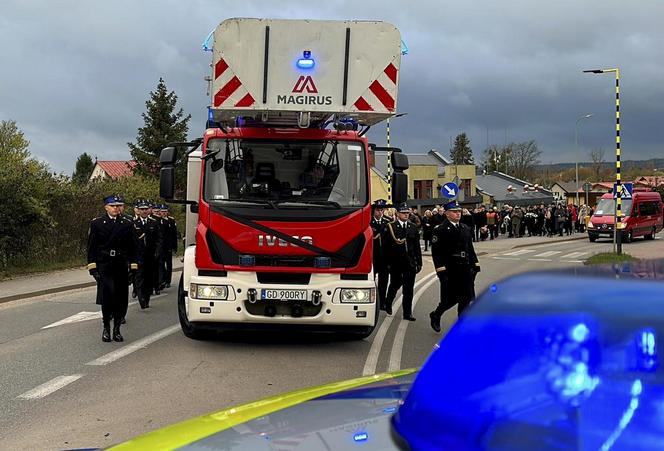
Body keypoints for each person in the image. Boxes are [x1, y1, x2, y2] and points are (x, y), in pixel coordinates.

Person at [87, 195, 138, 342]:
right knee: (107, 298)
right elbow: (91, 248)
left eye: (119, 205)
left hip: (120, 264)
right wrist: (93, 268)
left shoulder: (127, 223)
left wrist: (133, 268)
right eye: (113, 206)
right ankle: (106, 328)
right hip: (104, 264)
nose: (116, 208)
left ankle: (117, 329)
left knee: (120, 299)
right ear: (106, 207)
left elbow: (133, 247)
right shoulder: (97, 223)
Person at [429, 200, 480, 333]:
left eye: (459, 211)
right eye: (455, 212)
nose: (458, 214)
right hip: (450, 270)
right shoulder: (440, 230)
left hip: (465, 269)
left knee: (466, 298)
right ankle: (436, 314)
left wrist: (475, 265)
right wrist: (441, 272)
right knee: (449, 300)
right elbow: (437, 254)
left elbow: (470, 248)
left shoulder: (464, 228)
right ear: (446, 213)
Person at [384, 203, 422, 320]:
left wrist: (419, 262)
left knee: (408, 289)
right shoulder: (390, 227)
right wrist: (387, 264)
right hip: (396, 262)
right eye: (403, 213)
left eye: (407, 213)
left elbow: (416, 247)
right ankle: (388, 302)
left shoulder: (413, 227)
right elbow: (385, 248)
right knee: (395, 284)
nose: (406, 215)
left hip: (409, 263)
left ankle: (407, 313)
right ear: (397, 214)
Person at [133, 199, 163, 308]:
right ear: (138, 211)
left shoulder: (154, 223)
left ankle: (147, 297)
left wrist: (157, 252)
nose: (144, 211)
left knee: (149, 278)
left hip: (151, 255)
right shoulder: (134, 223)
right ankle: (141, 297)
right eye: (142, 209)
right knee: (139, 277)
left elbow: (159, 239)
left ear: (149, 210)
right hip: (138, 256)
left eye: (146, 209)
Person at [371, 199, 391, 311]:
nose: (380, 212)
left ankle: (382, 302)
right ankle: (373, 302)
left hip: (384, 257)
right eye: (378, 210)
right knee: (372, 281)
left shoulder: (388, 222)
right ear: (374, 211)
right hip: (372, 257)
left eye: (382, 210)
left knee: (383, 282)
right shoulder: (368, 222)